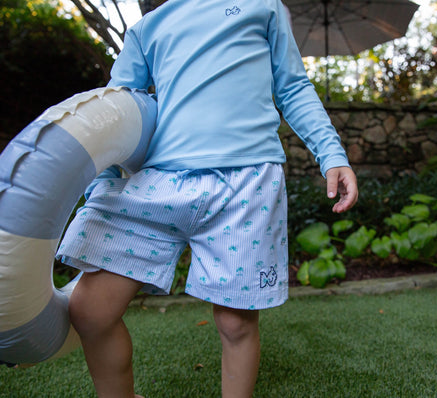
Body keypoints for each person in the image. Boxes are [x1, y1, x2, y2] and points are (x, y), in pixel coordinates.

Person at [56, 0, 358, 397]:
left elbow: (293, 87)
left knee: (235, 323)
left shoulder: (262, 7)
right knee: (91, 310)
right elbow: (114, 112)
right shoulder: (147, 29)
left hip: (245, 184)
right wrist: (105, 182)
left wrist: (331, 153)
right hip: (157, 183)